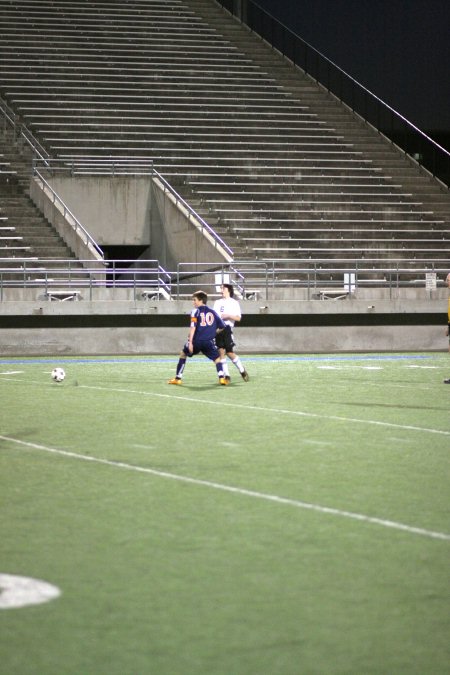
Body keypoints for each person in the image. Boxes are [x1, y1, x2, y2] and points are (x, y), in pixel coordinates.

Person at [168, 290, 229, 385]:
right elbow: (223, 326)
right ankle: (221, 378)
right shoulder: (213, 312)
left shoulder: (195, 311)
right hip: (208, 342)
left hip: (196, 341)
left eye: (194, 300)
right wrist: (213, 333)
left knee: (183, 354)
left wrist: (190, 342)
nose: (193, 302)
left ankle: (178, 378)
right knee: (217, 359)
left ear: (201, 300)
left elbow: (193, 327)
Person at [213, 283, 249, 382]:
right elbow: (214, 316)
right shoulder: (217, 302)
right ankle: (227, 376)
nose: (221, 290)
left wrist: (228, 316)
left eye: (223, 288)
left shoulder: (234, 303)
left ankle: (242, 370)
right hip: (218, 329)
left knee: (229, 352)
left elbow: (238, 318)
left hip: (227, 329)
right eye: (221, 288)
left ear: (228, 290)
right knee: (221, 352)